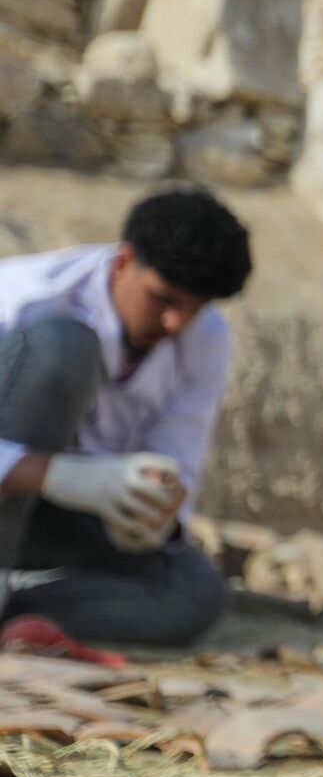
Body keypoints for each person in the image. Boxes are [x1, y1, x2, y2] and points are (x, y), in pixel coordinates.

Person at [0, 186, 252, 645]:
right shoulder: (21, 297)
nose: (174, 323)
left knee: (192, 591)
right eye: (163, 299)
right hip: (13, 496)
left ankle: (19, 618)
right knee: (65, 350)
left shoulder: (205, 337)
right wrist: (55, 475)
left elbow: (179, 461)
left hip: (67, 515)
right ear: (122, 262)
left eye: (192, 310)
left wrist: (153, 513)